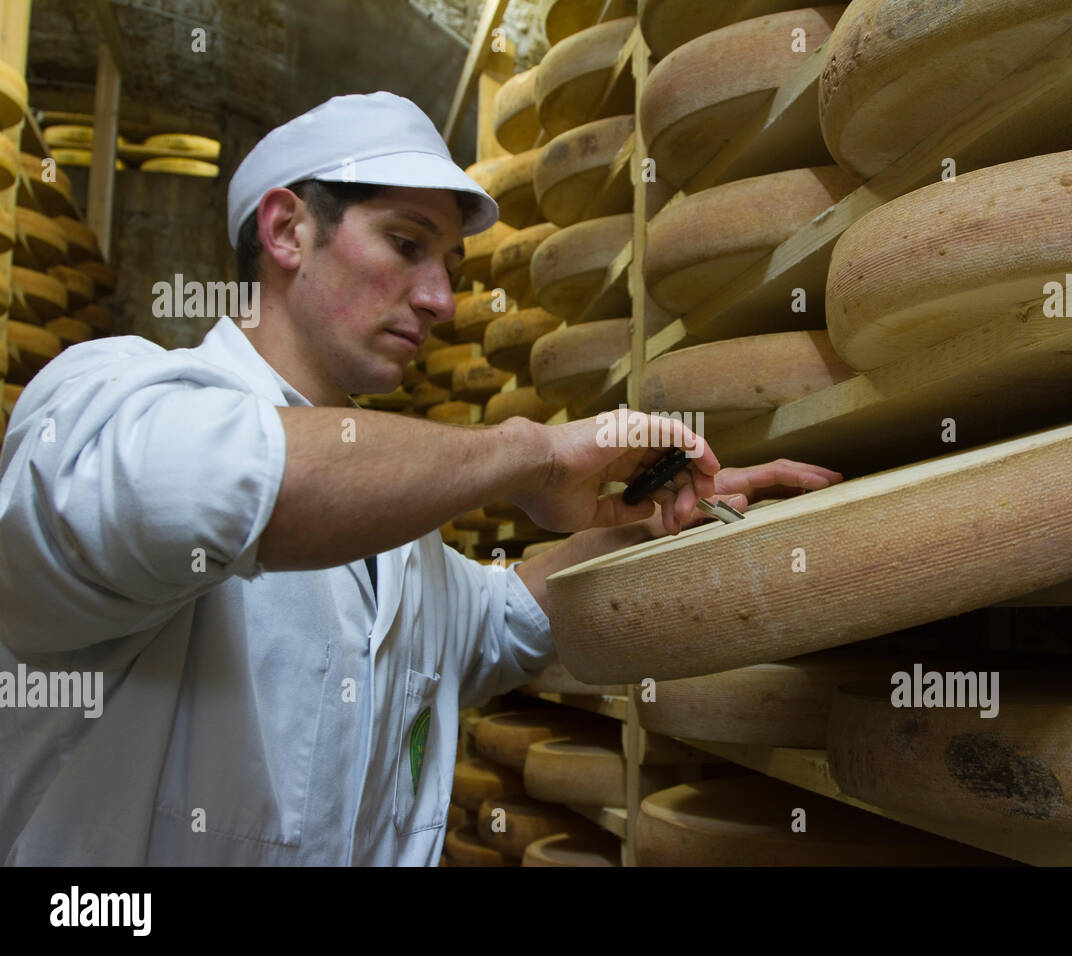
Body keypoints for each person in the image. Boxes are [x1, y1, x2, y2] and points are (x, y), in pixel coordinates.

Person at [0, 92, 842, 865]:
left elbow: (505, 614)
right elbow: (212, 483)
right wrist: (532, 453)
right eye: (406, 245)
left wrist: (670, 521)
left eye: (449, 264)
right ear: (287, 230)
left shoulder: (406, 545)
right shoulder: (101, 397)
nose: (441, 298)